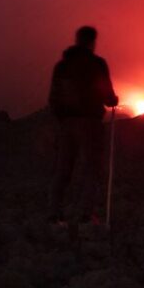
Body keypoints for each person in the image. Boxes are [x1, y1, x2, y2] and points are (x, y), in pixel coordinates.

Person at [48, 25, 118, 225]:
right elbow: (107, 95)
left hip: (66, 124)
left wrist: (60, 120)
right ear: (92, 42)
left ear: (77, 40)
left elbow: (53, 97)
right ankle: (85, 215)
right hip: (90, 123)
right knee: (91, 168)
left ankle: (54, 214)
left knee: (63, 168)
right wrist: (112, 100)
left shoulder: (61, 66)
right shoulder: (97, 64)